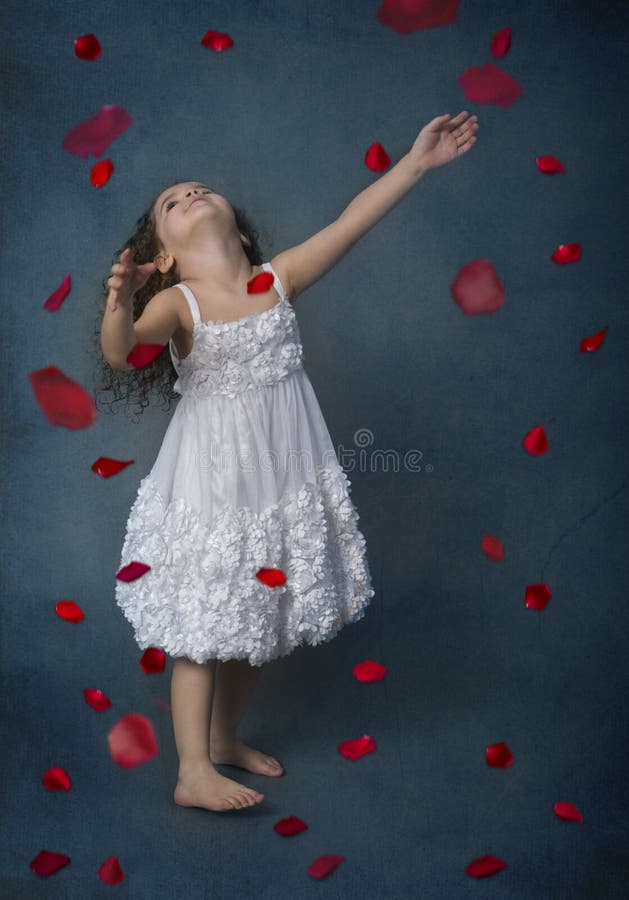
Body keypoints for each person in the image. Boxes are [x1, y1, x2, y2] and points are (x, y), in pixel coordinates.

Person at [100, 110, 479, 814]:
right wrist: (119, 304)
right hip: (214, 483)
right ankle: (191, 770)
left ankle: (220, 736)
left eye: (198, 190)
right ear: (167, 257)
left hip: (278, 478)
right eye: (171, 203)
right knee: (204, 621)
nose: (189, 195)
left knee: (260, 615)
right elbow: (124, 352)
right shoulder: (179, 303)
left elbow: (350, 221)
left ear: (238, 233)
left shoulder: (276, 281)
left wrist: (415, 164)